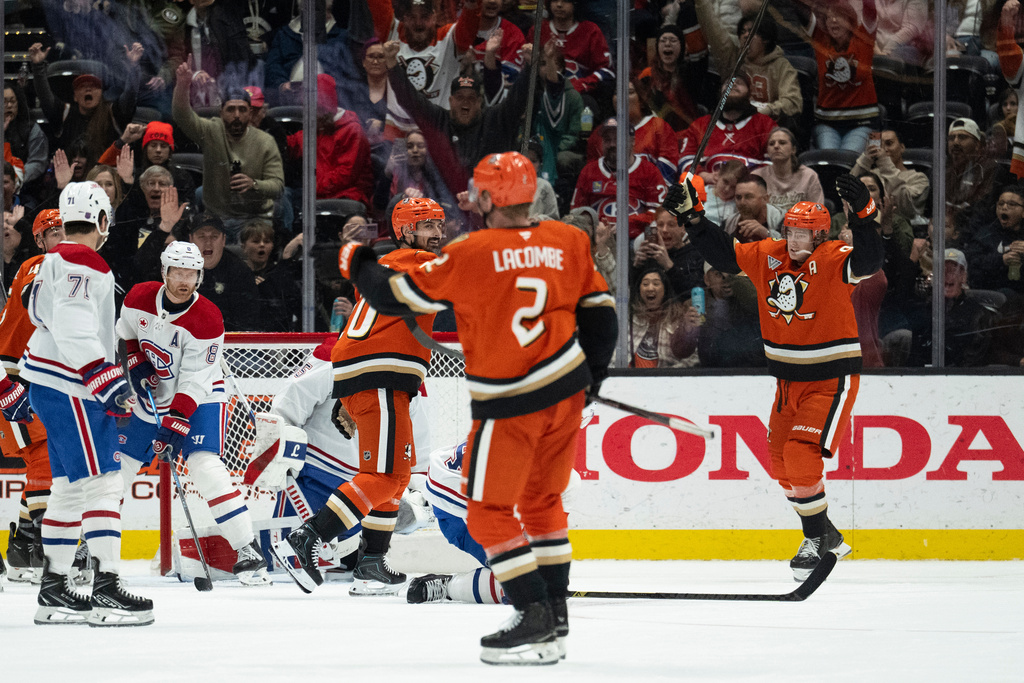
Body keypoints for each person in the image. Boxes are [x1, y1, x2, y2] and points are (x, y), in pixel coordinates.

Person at [332, 151, 617, 664]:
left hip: (512, 401)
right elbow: (601, 314)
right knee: (543, 506)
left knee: (488, 513)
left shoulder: (473, 251)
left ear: (487, 198)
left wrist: (355, 261)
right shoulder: (570, 240)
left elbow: (396, 297)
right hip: (566, 396)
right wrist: (594, 378)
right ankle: (555, 621)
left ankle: (532, 612)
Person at [664, 172, 884, 582]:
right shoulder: (770, 254)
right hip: (787, 383)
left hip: (830, 380)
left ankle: (814, 539)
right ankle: (827, 532)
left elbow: (870, 261)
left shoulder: (835, 259)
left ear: (820, 238)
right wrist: (693, 219)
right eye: (792, 232)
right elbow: (728, 256)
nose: (796, 240)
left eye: (805, 234)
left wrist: (866, 216)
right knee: (780, 464)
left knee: (802, 456)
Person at [273, 197, 446, 597]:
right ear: (405, 232)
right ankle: (306, 540)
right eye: (426, 226)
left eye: (439, 225)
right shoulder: (414, 262)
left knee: (396, 477)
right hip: (376, 373)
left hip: (379, 374)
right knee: (382, 476)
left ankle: (371, 562)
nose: (437, 233)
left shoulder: (399, 264)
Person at [19, 181, 153, 626]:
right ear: (100, 220)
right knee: (103, 482)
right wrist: (107, 380)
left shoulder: (51, 259)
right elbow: (75, 329)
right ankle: (106, 588)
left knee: (68, 488)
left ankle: (54, 589)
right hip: (72, 385)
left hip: (48, 382)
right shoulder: (84, 259)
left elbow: (36, 310)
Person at [115, 240, 271, 585]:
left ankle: (248, 550)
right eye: (178, 272)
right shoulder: (139, 297)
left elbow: (197, 378)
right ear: (164, 272)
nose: (185, 280)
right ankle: (90, 546)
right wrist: (137, 361)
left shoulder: (208, 318)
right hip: (152, 396)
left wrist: (177, 417)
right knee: (119, 467)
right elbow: (124, 332)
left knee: (203, 465)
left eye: (192, 273)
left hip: (200, 398)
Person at [0, 210, 67, 583]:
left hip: (33, 375)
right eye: (53, 233)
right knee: (42, 459)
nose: (62, 239)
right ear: (40, 240)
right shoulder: (40, 266)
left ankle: (24, 549)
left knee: (46, 457)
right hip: (15, 378)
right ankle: (53, 556)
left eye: (67, 231)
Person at [172, 57, 285, 242]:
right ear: (220, 112)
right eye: (231, 109)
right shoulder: (211, 131)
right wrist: (183, 86)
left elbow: (278, 187)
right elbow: (181, 116)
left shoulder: (266, 141)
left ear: (250, 112)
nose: (237, 116)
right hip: (217, 218)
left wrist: (254, 184)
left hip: (255, 219)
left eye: (242, 110)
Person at [27, 43, 143, 162]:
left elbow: (130, 95)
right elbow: (45, 97)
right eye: (82, 86)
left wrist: (134, 68)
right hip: (71, 177)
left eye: (94, 86)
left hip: (105, 176)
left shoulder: (113, 113)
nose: (88, 89)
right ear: (75, 96)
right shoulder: (64, 113)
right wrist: (37, 66)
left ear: (101, 93)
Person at [694, 2, 802, 124]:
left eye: (751, 31)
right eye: (742, 32)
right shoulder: (732, 59)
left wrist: (763, 110)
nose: (745, 36)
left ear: (765, 38)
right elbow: (712, 29)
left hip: (768, 130)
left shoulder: (781, 66)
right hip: (735, 129)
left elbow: (793, 103)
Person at [363, 0, 482, 109]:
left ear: (435, 17)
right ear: (404, 17)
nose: (418, 23)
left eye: (425, 16)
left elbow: (470, 21)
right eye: (412, 16)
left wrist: (471, 4)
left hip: (436, 126)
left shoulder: (450, 39)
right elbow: (378, 5)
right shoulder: (392, 32)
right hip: (397, 126)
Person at [571, 117, 668, 239]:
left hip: (635, 238)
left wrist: (628, 224)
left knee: (652, 238)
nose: (612, 144)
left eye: (617, 139)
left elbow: (659, 214)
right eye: (607, 140)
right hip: (598, 237)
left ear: (632, 141)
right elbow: (576, 213)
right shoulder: (589, 171)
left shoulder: (649, 171)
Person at [285, 74, 374, 206]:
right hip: (319, 193)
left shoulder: (352, 130)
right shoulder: (317, 127)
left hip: (348, 195)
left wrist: (312, 188)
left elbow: (345, 175)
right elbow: (292, 144)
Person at [806, 0, 880, 152]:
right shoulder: (820, 39)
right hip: (827, 123)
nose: (833, 20)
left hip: (863, 122)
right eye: (828, 17)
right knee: (831, 159)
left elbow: (870, 9)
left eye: (839, 16)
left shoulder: (863, 38)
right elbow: (802, 9)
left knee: (847, 158)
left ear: (850, 21)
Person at [678, 73, 777, 177]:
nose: (733, 85)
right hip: (707, 188)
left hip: (751, 187)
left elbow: (775, 161)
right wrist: (706, 177)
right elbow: (686, 159)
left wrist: (750, 180)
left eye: (739, 83)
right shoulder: (700, 125)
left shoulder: (765, 124)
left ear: (749, 93)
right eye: (728, 83)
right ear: (720, 91)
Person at [189, 214, 260, 332]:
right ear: (191, 240)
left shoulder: (240, 271)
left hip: (228, 342)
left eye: (214, 236)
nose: (208, 242)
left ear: (223, 240)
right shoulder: (180, 269)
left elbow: (247, 322)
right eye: (201, 236)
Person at [636, 23, 707, 137]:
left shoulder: (690, 74)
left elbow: (700, 54)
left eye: (673, 40)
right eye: (663, 41)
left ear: (682, 46)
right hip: (655, 137)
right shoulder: (647, 76)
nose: (667, 44)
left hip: (688, 138)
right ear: (657, 47)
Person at [850, 129, 930, 222]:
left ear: (902, 147)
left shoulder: (919, 178)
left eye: (889, 143)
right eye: (879, 146)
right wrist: (865, 159)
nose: (884, 149)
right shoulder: (871, 175)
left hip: (900, 229)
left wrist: (884, 162)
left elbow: (906, 208)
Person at [628, 265, 701, 368]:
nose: (650, 288)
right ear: (639, 291)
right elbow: (614, 282)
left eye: (656, 283)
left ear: (665, 290)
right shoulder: (630, 316)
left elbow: (694, 357)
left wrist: (668, 376)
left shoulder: (678, 319)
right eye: (645, 284)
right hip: (628, 380)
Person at [538, 0, 615, 97]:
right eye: (554, 0)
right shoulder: (539, 29)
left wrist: (582, 85)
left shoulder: (590, 31)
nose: (559, 5)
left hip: (582, 96)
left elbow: (606, 71)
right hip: (544, 96)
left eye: (566, 1)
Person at [633, 205, 707, 298]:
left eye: (671, 225)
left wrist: (668, 265)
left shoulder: (696, 254)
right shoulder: (650, 254)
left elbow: (695, 294)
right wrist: (637, 268)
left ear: (683, 228)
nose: (664, 230)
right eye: (660, 225)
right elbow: (634, 295)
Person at [239, 219, 301, 332]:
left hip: (276, 341)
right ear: (243, 246)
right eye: (256, 241)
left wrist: (287, 255)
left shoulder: (278, 274)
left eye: (267, 241)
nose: (262, 245)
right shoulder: (235, 274)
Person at [753, 127, 825, 215]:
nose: (776, 146)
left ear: (793, 150)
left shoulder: (809, 176)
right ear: (767, 151)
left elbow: (818, 214)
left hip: (800, 226)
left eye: (782, 143)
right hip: (765, 227)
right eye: (771, 144)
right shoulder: (757, 176)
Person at [722, 174, 783, 242]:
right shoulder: (728, 224)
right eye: (738, 197)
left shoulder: (783, 220)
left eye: (749, 197)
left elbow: (791, 246)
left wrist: (767, 234)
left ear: (765, 199)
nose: (742, 202)